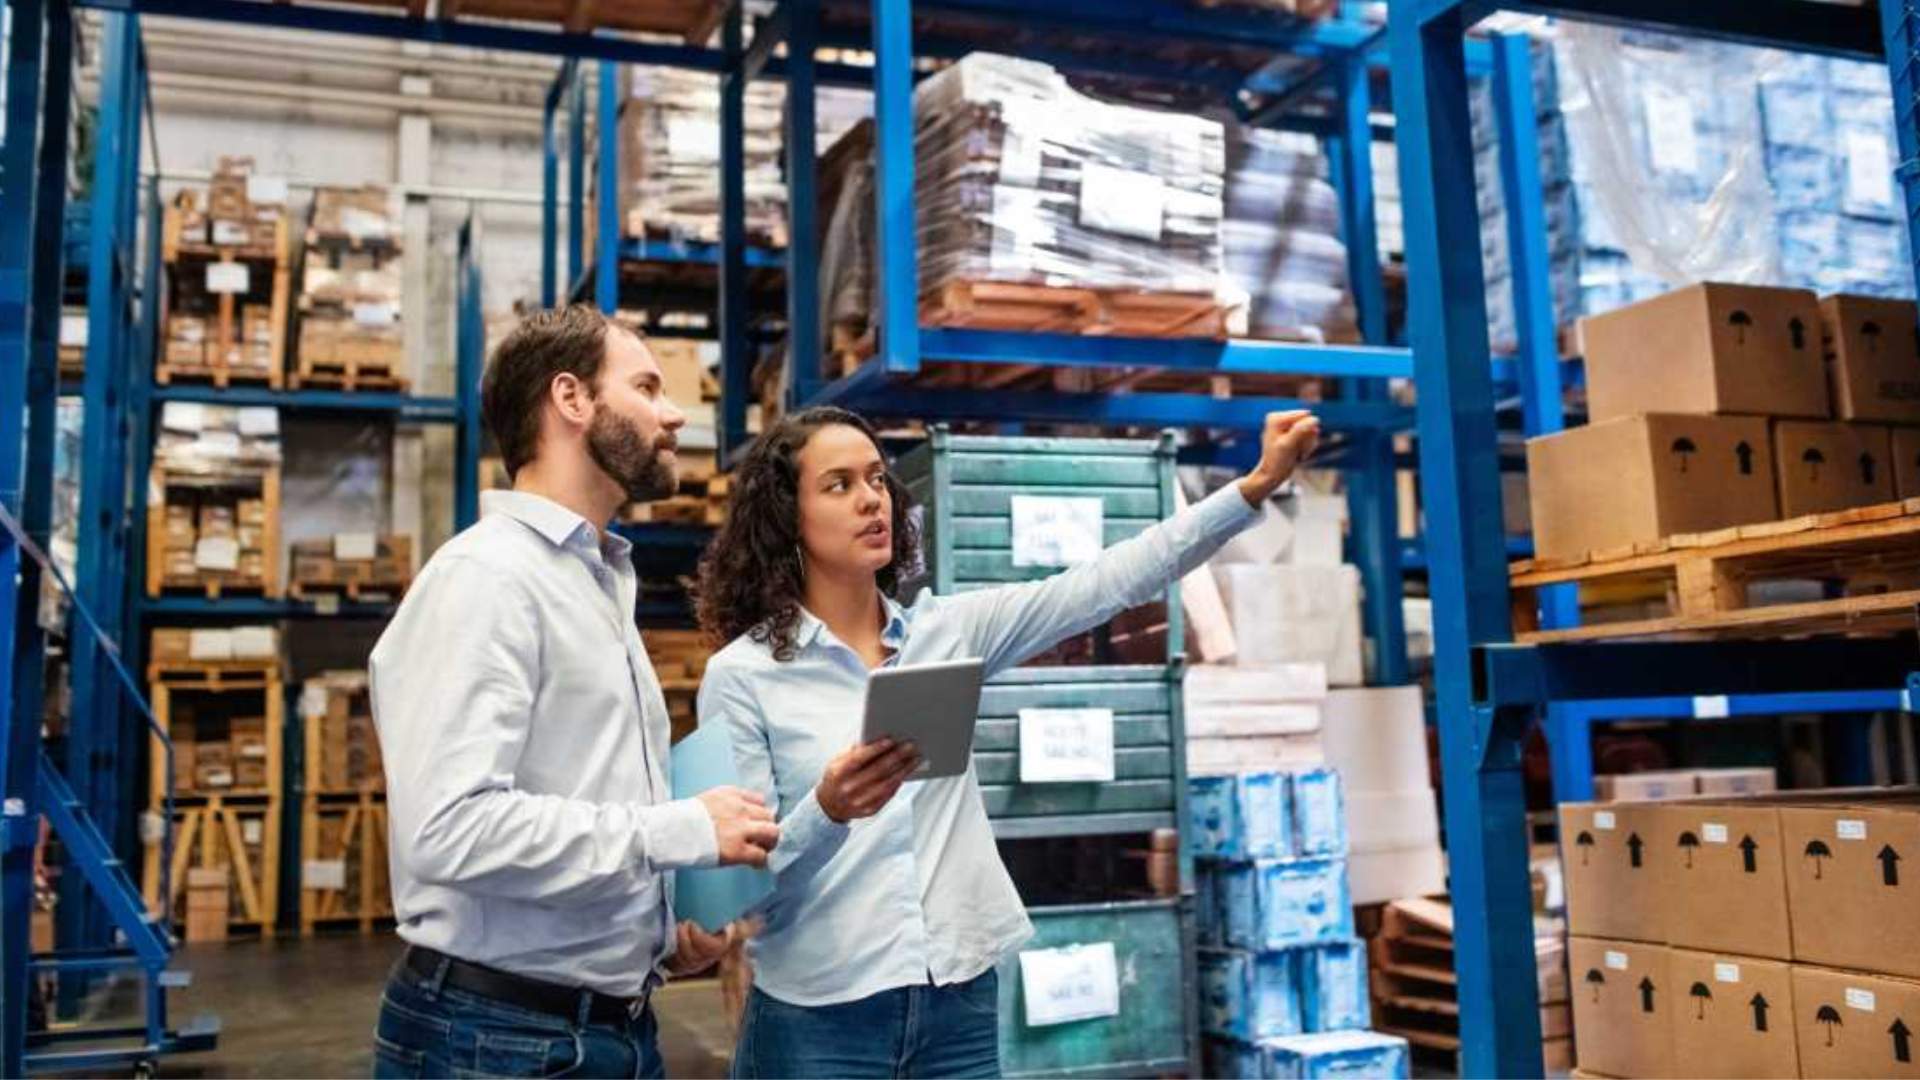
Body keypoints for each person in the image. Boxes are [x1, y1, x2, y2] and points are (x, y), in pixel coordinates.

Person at [694, 405, 1320, 1078]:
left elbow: (1109, 581)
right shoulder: (741, 676)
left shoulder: (948, 633)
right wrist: (827, 810)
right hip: (818, 1021)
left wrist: (1252, 487)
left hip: (956, 1004)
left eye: (877, 478)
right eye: (839, 484)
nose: (872, 498)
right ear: (787, 518)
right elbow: (734, 894)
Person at [368, 305, 781, 1079]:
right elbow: (451, 829)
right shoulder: (488, 580)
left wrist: (659, 929)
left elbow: (581, 791)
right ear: (572, 399)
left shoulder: (595, 578)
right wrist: (677, 832)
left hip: (605, 1028)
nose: (675, 412)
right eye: (648, 386)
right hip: (497, 1041)